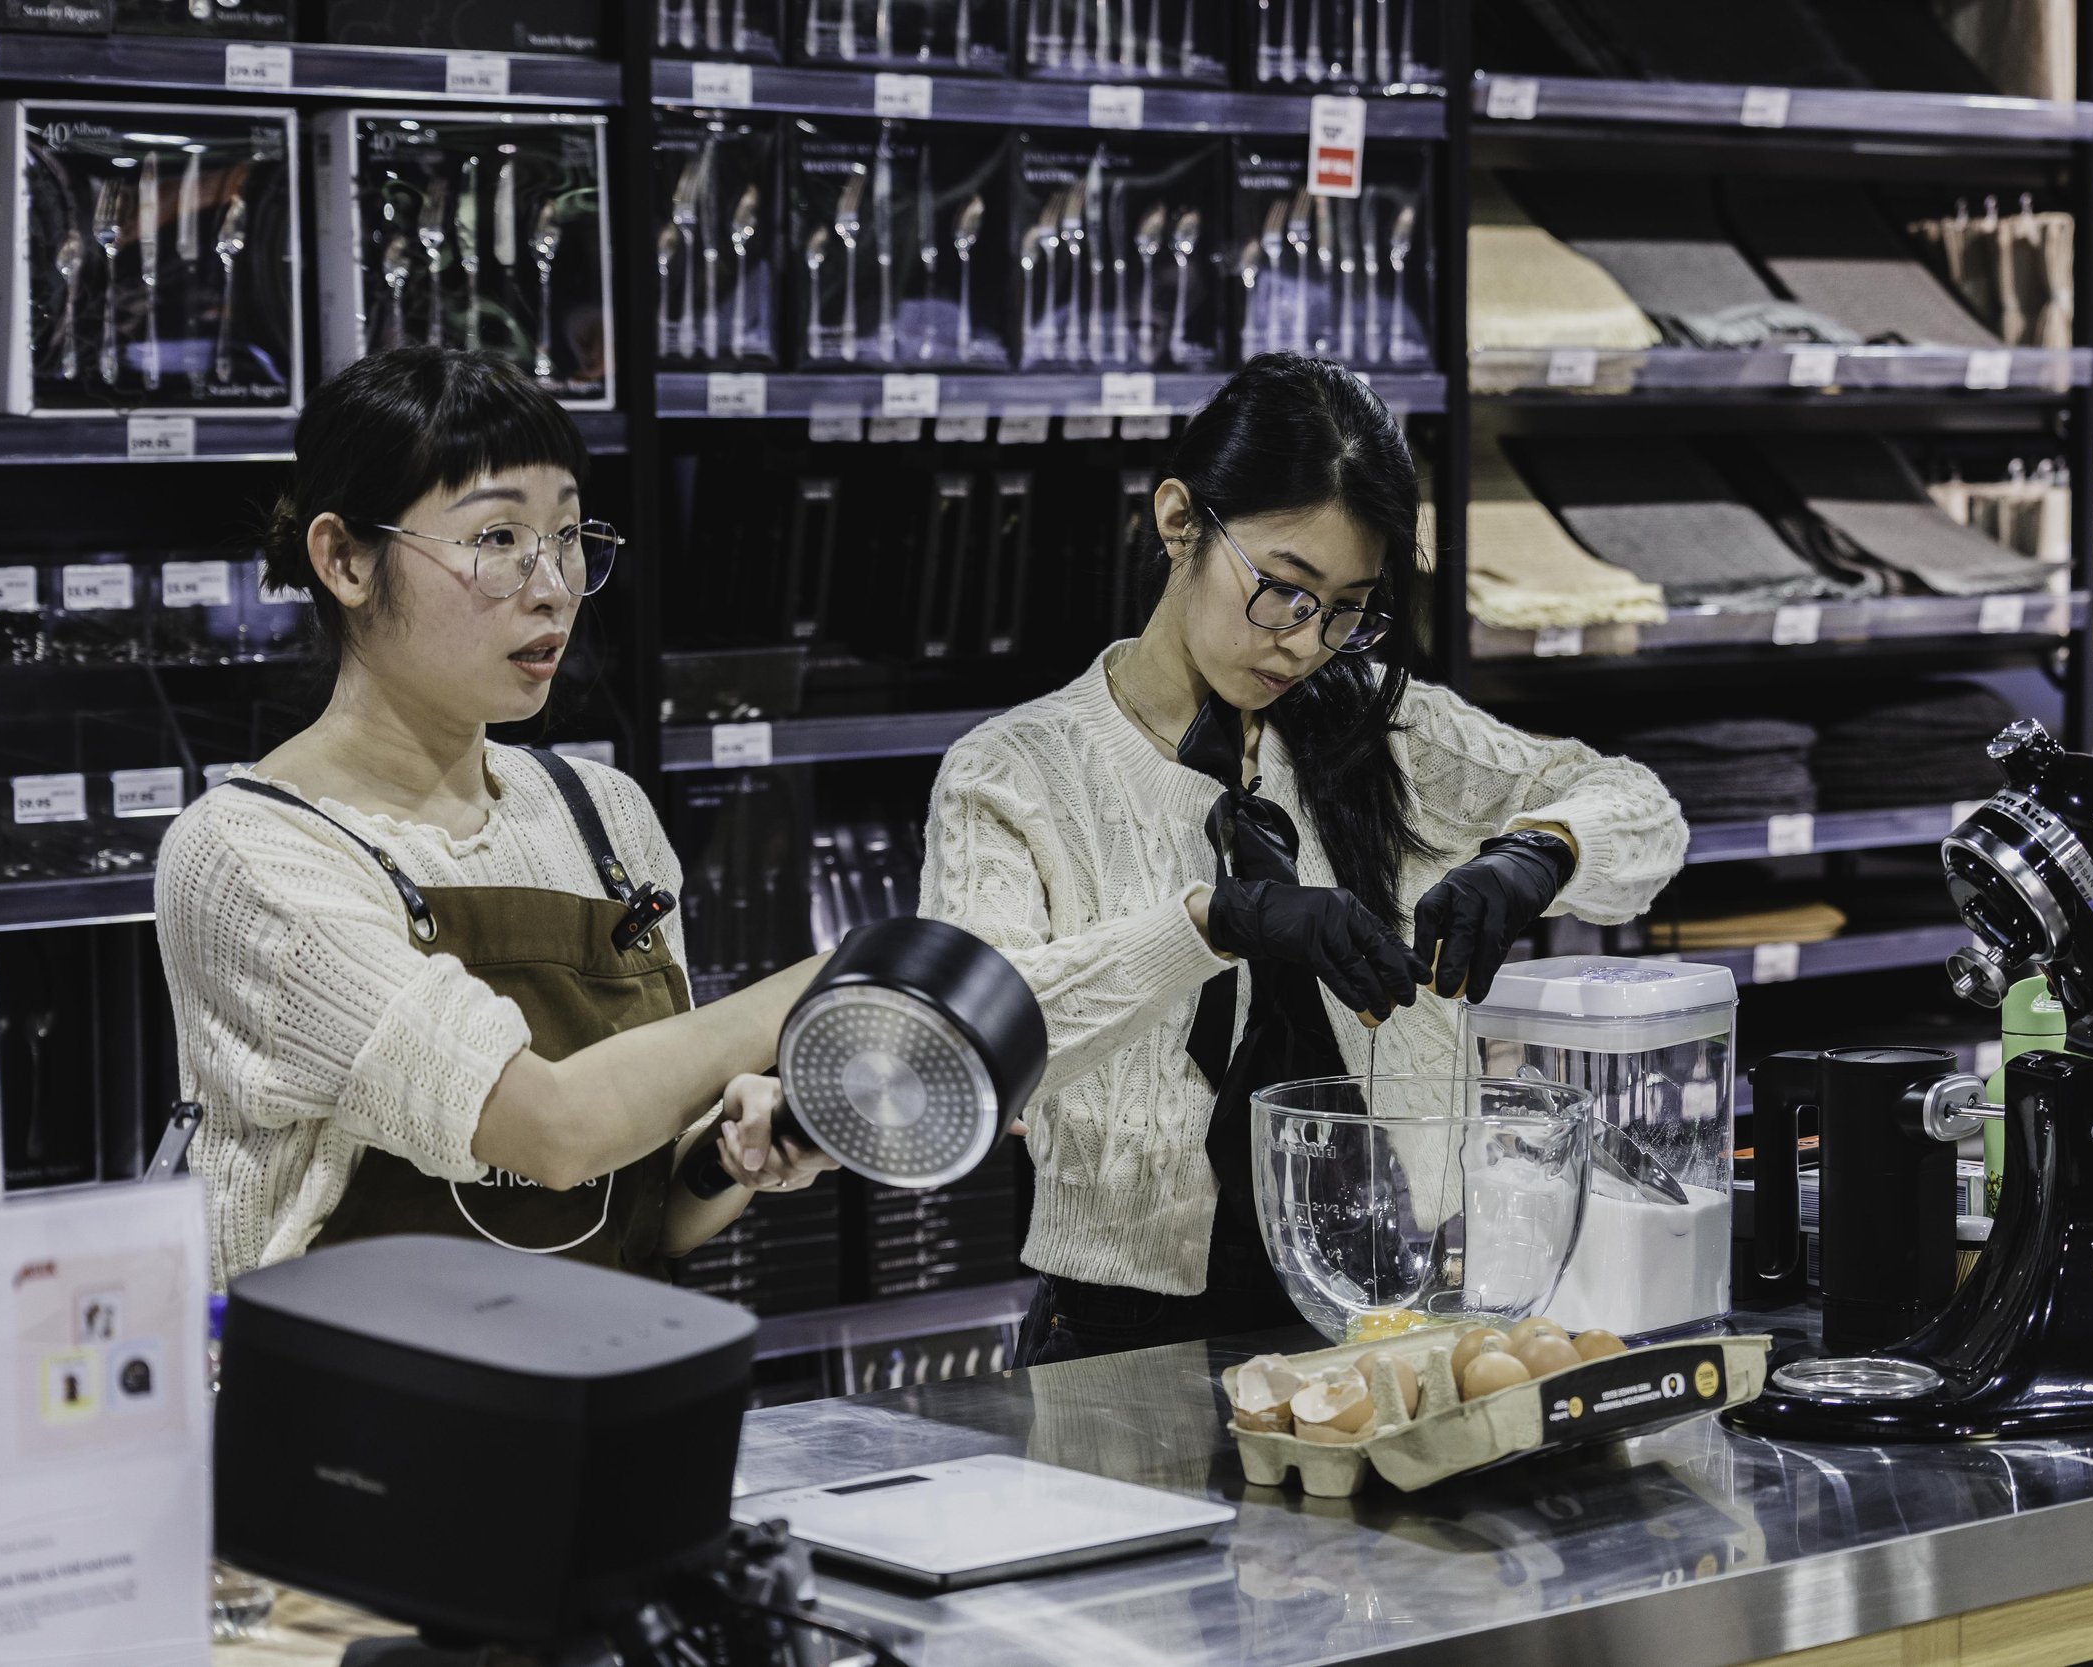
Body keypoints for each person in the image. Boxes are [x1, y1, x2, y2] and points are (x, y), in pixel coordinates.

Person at [921, 355, 1687, 1363]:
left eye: (1347, 608)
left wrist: (1535, 852)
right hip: (1129, 1337)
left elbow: (1643, 808)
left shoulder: (1383, 727)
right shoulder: (1014, 771)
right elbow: (972, 1047)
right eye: (1282, 590)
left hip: (1399, 1302)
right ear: (1178, 520)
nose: (1304, 643)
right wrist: (1209, 922)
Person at [159, 348, 833, 1288]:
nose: (553, 583)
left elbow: (649, 1219)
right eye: (498, 538)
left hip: (597, 1393)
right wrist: (833, 979)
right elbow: (554, 1129)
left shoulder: (603, 818)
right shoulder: (250, 853)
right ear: (346, 559)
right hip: (352, 1413)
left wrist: (731, 1152)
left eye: (565, 534)